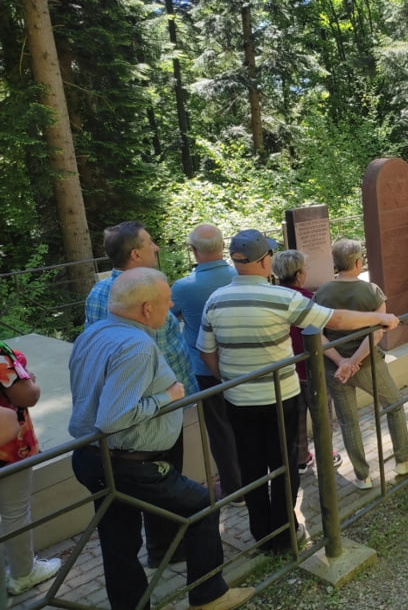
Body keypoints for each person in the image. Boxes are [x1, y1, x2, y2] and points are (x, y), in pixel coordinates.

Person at [198, 230, 399, 553]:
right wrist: (380, 317)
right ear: (265, 261)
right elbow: (335, 319)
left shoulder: (216, 300)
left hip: (238, 401)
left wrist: (230, 379)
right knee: (284, 466)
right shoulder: (283, 298)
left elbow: (206, 352)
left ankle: (261, 534)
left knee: (251, 468)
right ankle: (285, 533)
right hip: (281, 398)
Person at [68, 268, 255, 610]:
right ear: (145, 309)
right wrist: (166, 397)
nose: (172, 305)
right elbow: (113, 418)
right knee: (201, 505)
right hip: (127, 463)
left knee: (118, 541)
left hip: (91, 458)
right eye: (166, 300)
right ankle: (209, 596)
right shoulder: (136, 346)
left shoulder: (93, 333)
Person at [85, 221, 194, 566]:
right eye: (150, 243)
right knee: (165, 479)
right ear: (135, 254)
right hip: (156, 408)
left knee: (127, 506)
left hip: (122, 411)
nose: (157, 248)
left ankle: (151, 556)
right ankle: (166, 550)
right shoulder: (147, 298)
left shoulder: (98, 292)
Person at [313, 240, 408, 489]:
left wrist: (342, 362)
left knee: (348, 421)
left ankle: (363, 476)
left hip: (334, 368)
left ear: (335, 263)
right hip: (368, 364)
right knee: (394, 405)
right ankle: (403, 460)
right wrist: (353, 361)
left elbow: (317, 334)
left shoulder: (321, 293)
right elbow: (377, 333)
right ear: (358, 263)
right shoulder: (372, 292)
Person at [170, 224, 243, 503]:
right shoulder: (240, 276)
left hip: (205, 369)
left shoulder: (184, 287)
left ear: (193, 251)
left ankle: (234, 489)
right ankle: (256, 478)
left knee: (219, 429)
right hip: (244, 365)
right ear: (223, 247)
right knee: (245, 421)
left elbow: (167, 317)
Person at [271, 249, 342, 476]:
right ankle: (325, 455)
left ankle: (301, 459)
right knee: (322, 414)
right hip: (311, 369)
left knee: (296, 417)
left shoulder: (272, 298)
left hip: (286, 370)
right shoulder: (309, 300)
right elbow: (321, 334)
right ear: (299, 274)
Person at [0, 343, 62, 599]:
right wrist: (30, 380)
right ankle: (23, 573)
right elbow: (27, 396)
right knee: (15, 511)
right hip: (9, 450)